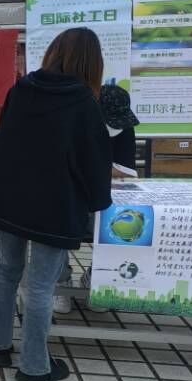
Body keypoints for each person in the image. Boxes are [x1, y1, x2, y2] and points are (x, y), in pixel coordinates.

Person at [0, 27, 113, 381]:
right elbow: (94, 163)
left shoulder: (20, 90)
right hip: (54, 204)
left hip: (7, 197)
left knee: (7, 271)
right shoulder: (83, 103)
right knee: (40, 286)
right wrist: (99, 202)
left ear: (53, 52)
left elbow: (5, 141)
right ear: (92, 63)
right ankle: (34, 366)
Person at [54, 82, 140, 314]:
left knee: (128, 223)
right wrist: (100, 168)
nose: (116, 126)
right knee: (55, 221)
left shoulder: (124, 127)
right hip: (68, 198)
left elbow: (126, 172)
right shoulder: (72, 123)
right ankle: (60, 282)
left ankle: (96, 278)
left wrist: (90, 167)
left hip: (107, 200)